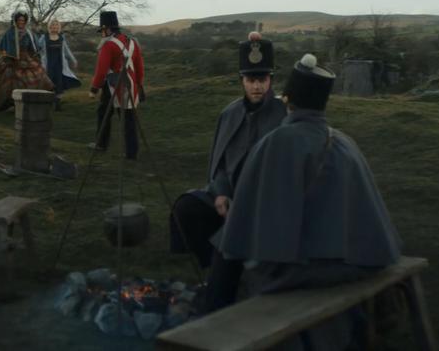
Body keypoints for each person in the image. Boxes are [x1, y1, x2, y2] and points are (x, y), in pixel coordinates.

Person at [211, 53, 402, 350]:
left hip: (320, 269)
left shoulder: (279, 142)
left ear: (287, 101)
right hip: (364, 262)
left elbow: (247, 228)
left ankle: (212, 326)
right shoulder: (344, 141)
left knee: (231, 258)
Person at [169, 33, 286, 273]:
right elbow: (220, 163)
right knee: (186, 209)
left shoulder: (284, 115)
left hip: (264, 201)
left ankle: (233, 268)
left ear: (271, 80)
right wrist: (221, 193)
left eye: (262, 79)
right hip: (229, 196)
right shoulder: (229, 114)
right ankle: (209, 264)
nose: (257, 86)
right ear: (242, 80)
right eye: (251, 79)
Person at [89, 11, 144, 160]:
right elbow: (139, 66)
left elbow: (101, 70)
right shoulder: (132, 41)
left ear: (107, 29)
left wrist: (94, 88)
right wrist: (139, 84)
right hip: (130, 84)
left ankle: (101, 143)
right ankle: (131, 152)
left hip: (113, 85)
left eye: (102, 30)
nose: (102, 33)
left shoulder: (108, 44)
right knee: (129, 119)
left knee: (104, 113)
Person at [0, 11, 54, 112]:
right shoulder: (10, 32)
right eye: (19, 20)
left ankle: (32, 101)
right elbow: (2, 46)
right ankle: (9, 104)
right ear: (15, 21)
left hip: (26, 58)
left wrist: (36, 55)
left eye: (23, 20)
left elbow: (34, 47)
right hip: (12, 60)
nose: (21, 22)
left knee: (38, 74)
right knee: (10, 79)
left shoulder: (29, 33)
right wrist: (6, 57)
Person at [37, 18, 81, 111]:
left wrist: (73, 60)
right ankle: (48, 103)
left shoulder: (61, 38)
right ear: (49, 27)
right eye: (52, 25)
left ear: (59, 27)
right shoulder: (43, 37)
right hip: (47, 65)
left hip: (60, 65)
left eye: (56, 25)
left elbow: (66, 50)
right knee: (48, 84)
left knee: (59, 84)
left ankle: (57, 104)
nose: (54, 27)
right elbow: (37, 49)